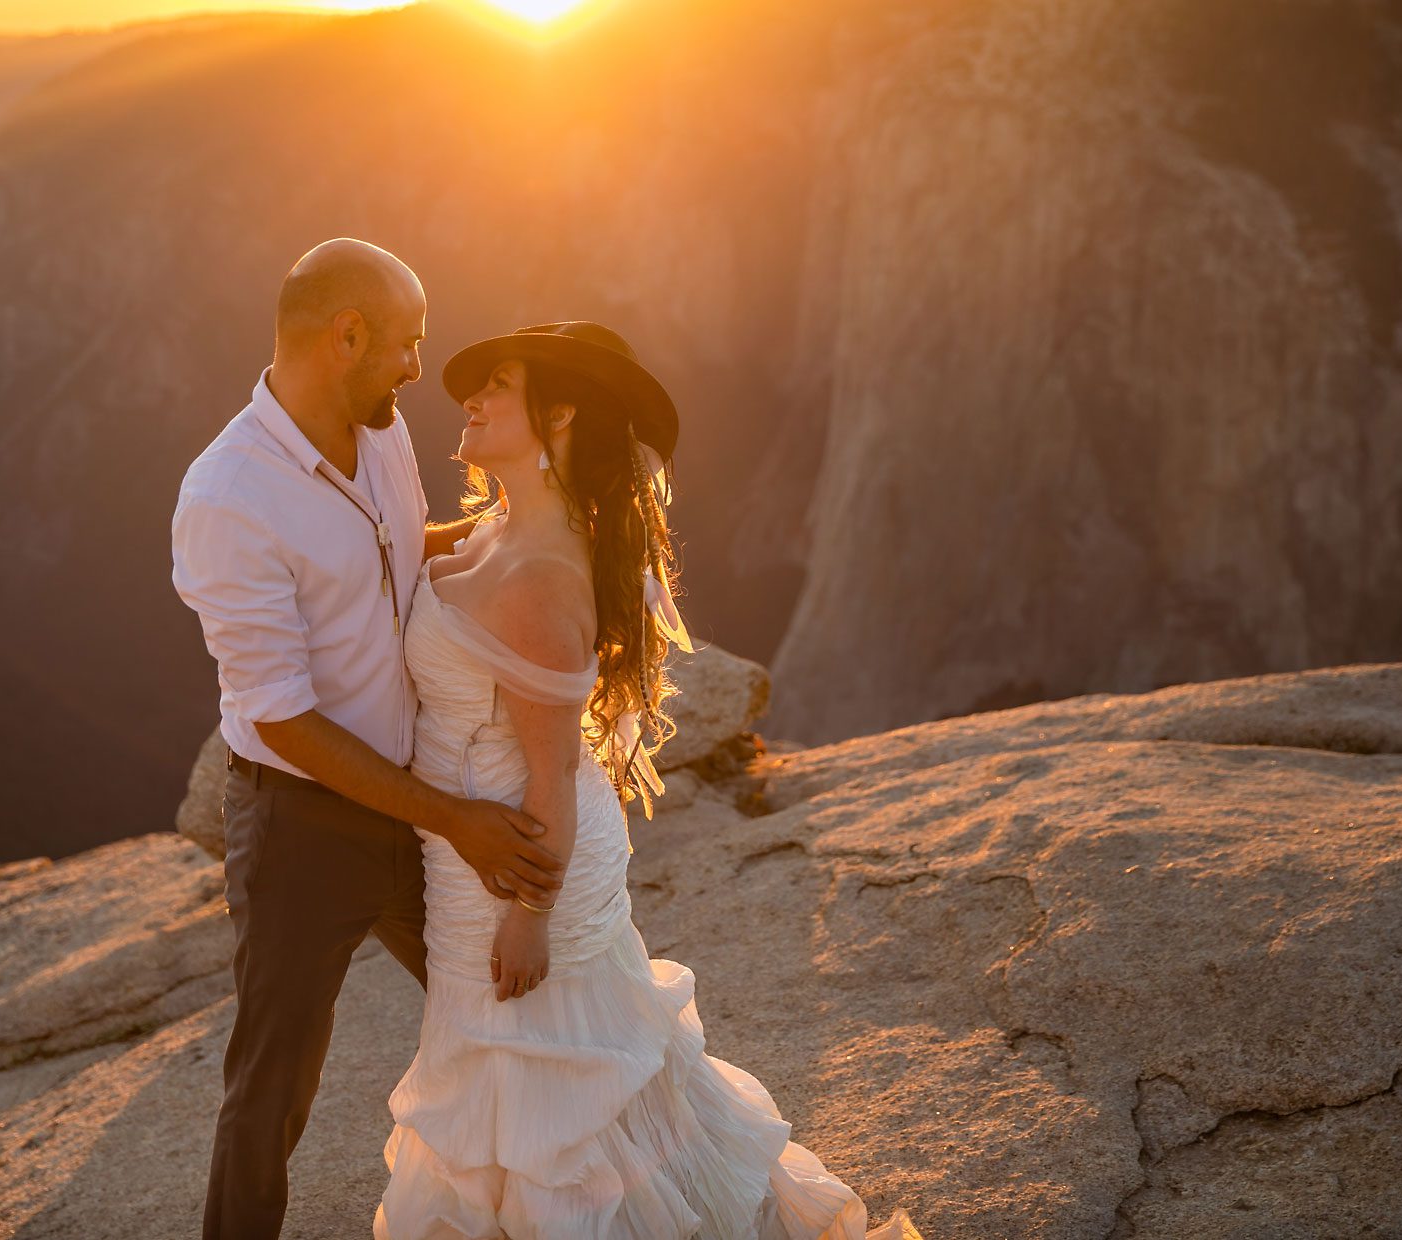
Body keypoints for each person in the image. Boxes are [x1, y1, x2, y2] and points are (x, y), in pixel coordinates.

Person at [372, 321, 923, 1239]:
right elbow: (387, 552)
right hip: (470, 863)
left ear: (561, 413)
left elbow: (550, 772)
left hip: (521, 863)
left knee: (564, 1104)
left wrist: (531, 915)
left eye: (496, 385)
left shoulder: (541, 579)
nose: (468, 399)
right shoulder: (501, 531)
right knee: (530, 1097)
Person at [171, 239, 568, 1240]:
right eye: (405, 345)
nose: (416, 371)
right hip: (305, 827)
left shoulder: (378, 431)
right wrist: (459, 820)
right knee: (272, 1091)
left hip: (423, 793)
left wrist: (531, 538)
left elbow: (397, 555)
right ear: (344, 337)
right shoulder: (228, 498)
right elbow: (282, 718)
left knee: (514, 1015)